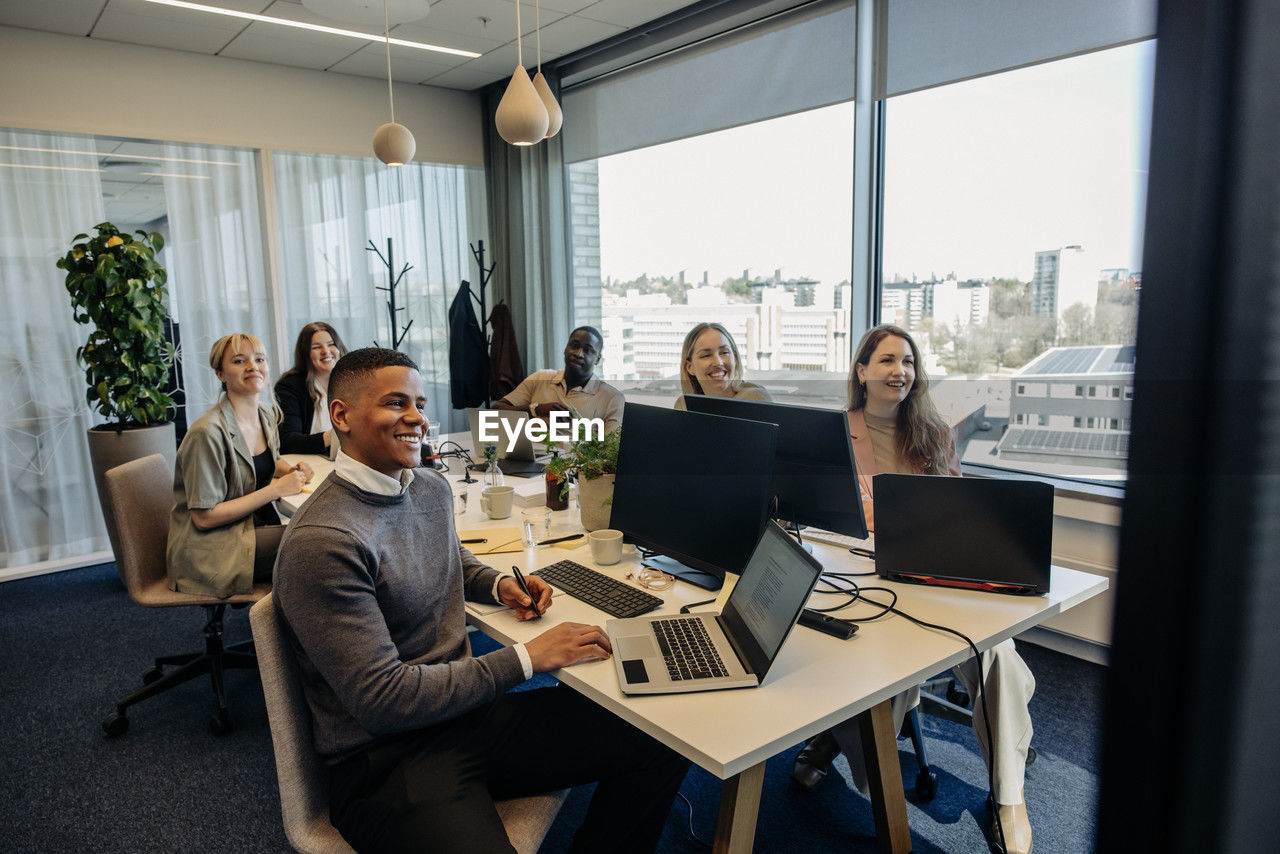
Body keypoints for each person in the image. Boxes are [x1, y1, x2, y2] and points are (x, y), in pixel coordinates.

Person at [273, 348, 689, 853]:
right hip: (385, 758)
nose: (416, 419)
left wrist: (497, 584)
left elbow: (453, 556)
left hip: (465, 717)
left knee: (664, 737)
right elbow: (385, 702)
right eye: (395, 403)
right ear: (341, 415)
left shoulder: (426, 487)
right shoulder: (324, 540)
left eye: (420, 403)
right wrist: (527, 659)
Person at [791, 324, 1036, 854]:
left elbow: (953, 512)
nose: (898, 371)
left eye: (907, 361)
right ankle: (844, 737)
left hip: (934, 570)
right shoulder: (835, 435)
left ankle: (1009, 798)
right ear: (861, 371)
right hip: (862, 573)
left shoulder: (934, 432)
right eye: (885, 360)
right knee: (868, 658)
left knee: (1000, 655)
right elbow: (835, 519)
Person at [167, 334, 312, 598]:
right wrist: (276, 490)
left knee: (317, 536)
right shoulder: (207, 433)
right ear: (221, 374)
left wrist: (289, 470)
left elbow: (256, 461)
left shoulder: (266, 413)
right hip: (212, 546)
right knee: (312, 544)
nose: (253, 367)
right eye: (239, 361)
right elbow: (203, 517)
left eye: (259, 359)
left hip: (250, 525)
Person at [494, 326, 624, 433]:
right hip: (528, 459)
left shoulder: (611, 398)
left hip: (574, 463)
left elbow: (611, 452)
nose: (578, 354)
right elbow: (496, 410)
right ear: (565, 348)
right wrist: (536, 409)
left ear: (597, 359)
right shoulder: (541, 378)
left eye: (587, 350)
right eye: (574, 345)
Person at [274, 321, 347, 455]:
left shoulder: (353, 380)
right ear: (305, 354)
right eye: (317, 347)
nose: (326, 351)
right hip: (312, 462)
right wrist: (336, 435)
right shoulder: (290, 386)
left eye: (331, 344)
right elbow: (287, 441)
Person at [674, 321, 772, 409]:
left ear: (735, 358)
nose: (718, 362)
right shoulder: (683, 405)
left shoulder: (755, 398)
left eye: (724, 353)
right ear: (690, 367)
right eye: (706, 355)